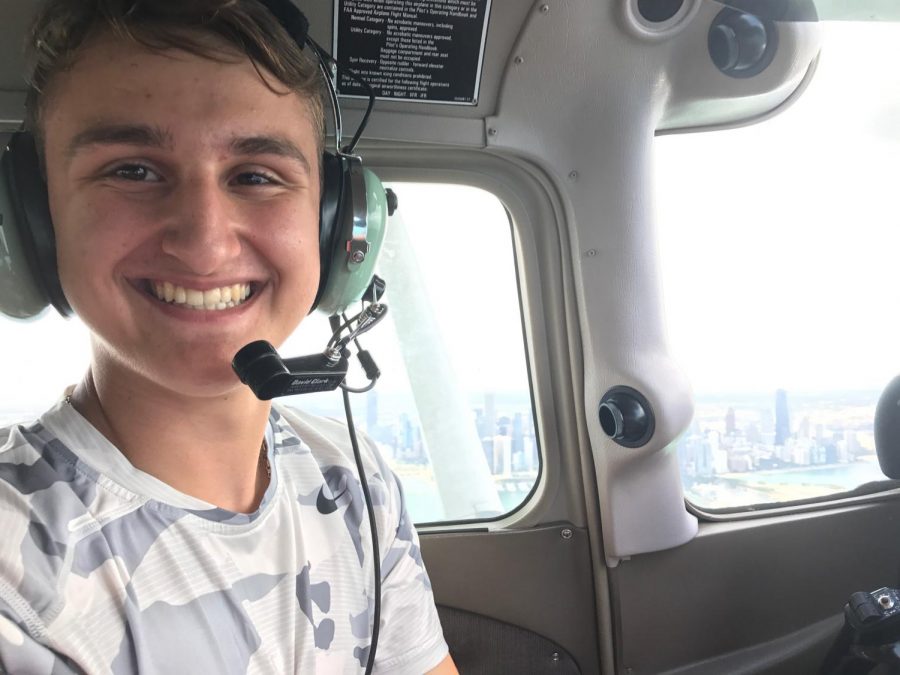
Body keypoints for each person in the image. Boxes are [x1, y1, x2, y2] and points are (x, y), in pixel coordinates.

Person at [0, 0, 457, 672]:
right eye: (132, 170)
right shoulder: (17, 564)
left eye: (256, 176)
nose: (205, 243)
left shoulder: (354, 479)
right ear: (34, 221)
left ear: (334, 227)